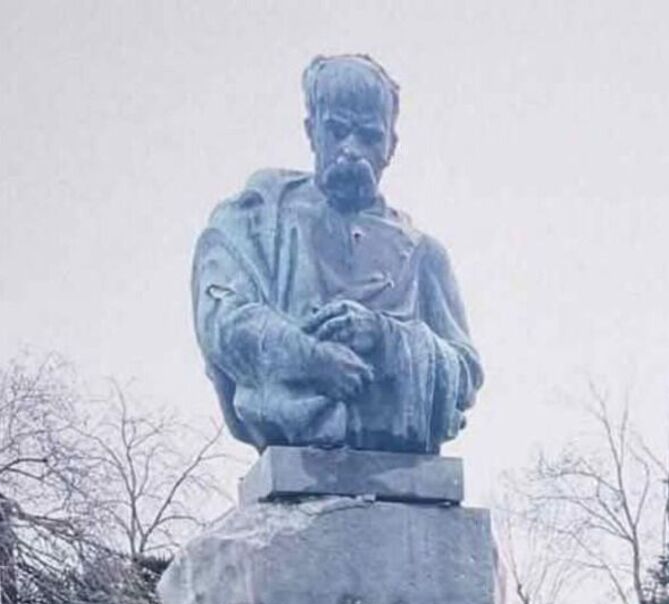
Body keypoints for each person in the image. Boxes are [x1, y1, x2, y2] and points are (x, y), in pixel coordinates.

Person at [193, 54, 481, 454]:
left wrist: (384, 338)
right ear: (311, 132)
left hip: (404, 474)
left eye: (368, 136)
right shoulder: (256, 220)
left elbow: (465, 373)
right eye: (337, 131)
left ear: (391, 147)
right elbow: (221, 320)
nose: (351, 150)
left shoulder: (424, 255)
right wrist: (311, 359)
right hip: (296, 463)